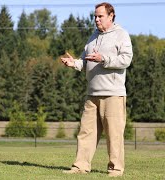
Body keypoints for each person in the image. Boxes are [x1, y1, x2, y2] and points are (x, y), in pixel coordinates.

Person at [61, 2, 133, 177]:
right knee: (85, 133)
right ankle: (80, 167)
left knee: (114, 135)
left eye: (100, 16)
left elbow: (126, 60)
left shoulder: (121, 35)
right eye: (95, 16)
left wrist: (104, 59)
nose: (96, 19)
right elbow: (86, 62)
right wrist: (74, 63)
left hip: (113, 95)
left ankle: (115, 169)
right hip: (92, 94)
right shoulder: (93, 36)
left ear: (111, 16)